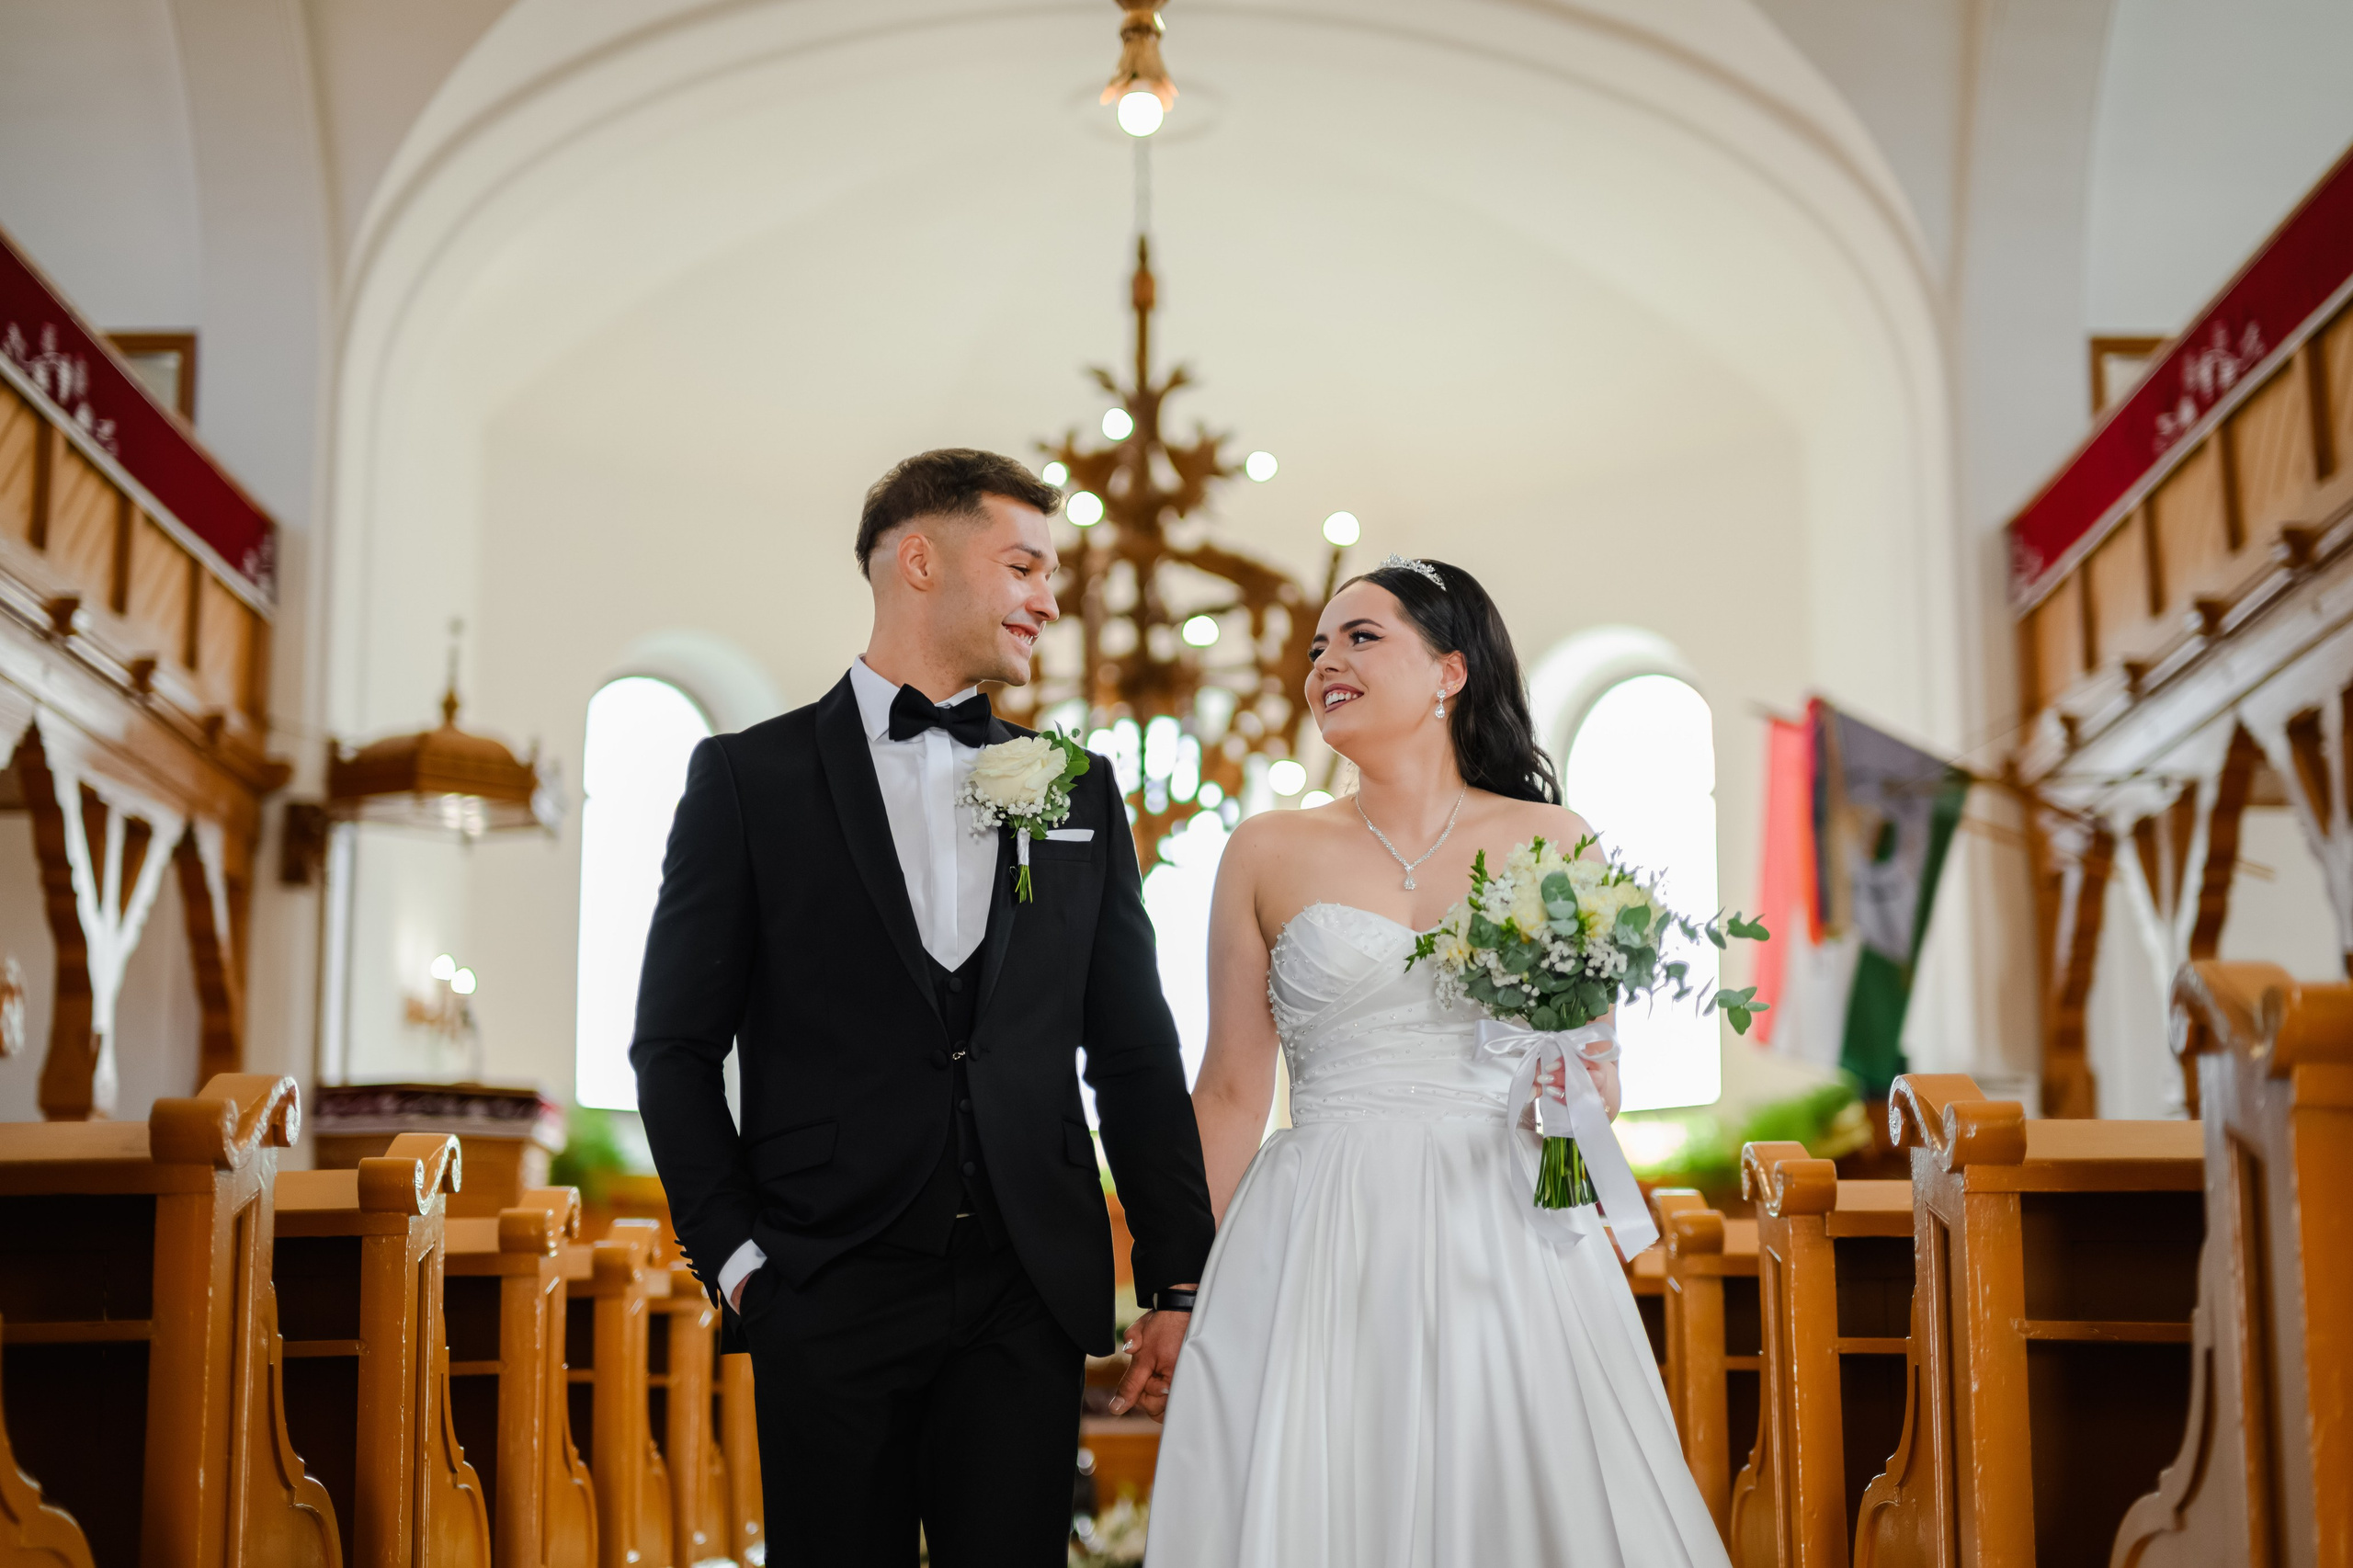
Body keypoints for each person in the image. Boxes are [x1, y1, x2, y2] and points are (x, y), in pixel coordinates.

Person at [630, 449, 1215, 1567]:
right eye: (1024, 564)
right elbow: (673, 1047)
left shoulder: (1074, 787)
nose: (1049, 598)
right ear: (918, 559)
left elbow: (1133, 1049)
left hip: (1024, 1286)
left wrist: (1176, 1272)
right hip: (820, 1283)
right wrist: (741, 1262)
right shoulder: (748, 781)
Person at [1146, 556, 1732, 1566]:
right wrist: (1178, 1286)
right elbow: (1234, 1090)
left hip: (1500, 1222)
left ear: (1450, 672)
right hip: (1319, 1225)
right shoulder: (1266, 850)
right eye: (1317, 646)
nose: (1326, 659)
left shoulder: (1554, 839)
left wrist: (1579, 1085)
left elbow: (1599, 1071)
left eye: (1360, 637)